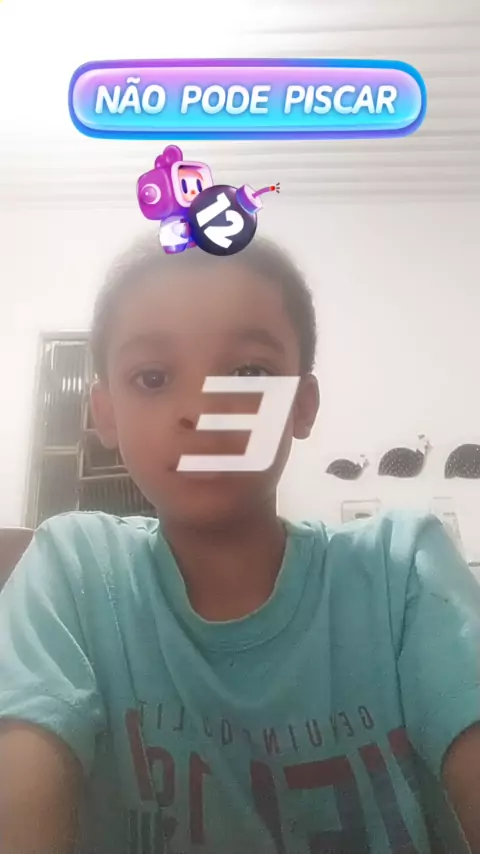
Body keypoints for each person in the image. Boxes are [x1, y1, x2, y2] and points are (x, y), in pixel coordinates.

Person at [0, 234, 480, 854]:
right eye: (153, 377)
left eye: (250, 373)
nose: (202, 409)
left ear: (301, 406)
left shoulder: (403, 568)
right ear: (106, 413)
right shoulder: (70, 571)